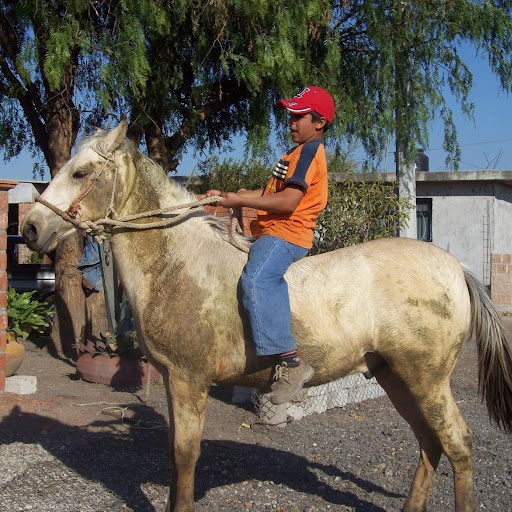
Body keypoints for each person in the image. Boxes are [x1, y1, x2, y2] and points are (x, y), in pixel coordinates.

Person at [206, 86, 335, 405]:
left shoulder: (308, 153)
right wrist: (234, 197)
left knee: (257, 279)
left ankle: (292, 364)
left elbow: (289, 201)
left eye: (299, 116)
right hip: (273, 229)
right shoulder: (293, 154)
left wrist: (240, 200)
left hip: (287, 233)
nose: (291, 121)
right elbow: (272, 194)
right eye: (290, 115)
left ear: (319, 123)